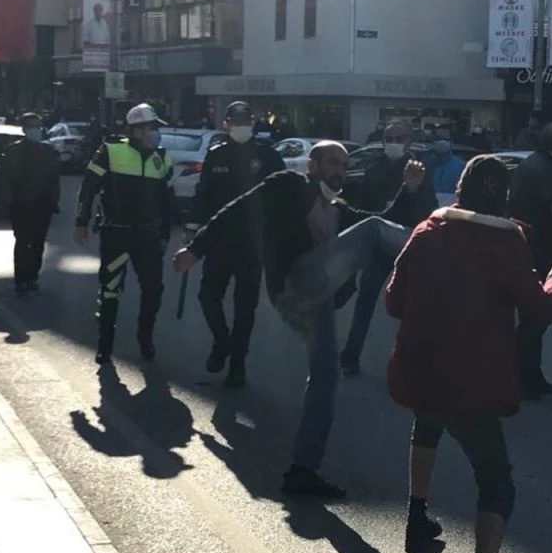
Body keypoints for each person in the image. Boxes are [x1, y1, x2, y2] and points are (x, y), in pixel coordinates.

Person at [173, 142, 429, 497]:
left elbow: (387, 223)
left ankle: (302, 471)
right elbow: (238, 210)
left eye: (343, 164)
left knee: (326, 377)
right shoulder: (288, 185)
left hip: (314, 301)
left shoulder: (339, 208)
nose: (338, 169)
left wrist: (409, 189)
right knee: (371, 230)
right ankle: (438, 253)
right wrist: (196, 249)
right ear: (313, 164)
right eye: (331, 162)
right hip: (297, 279)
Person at [386, 155, 552, 553]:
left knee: (425, 431)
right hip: (471, 378)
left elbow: (393, 300)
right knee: (495, 481)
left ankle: (416, 518)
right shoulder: (506, 240)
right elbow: (539, 313)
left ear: (460, 189)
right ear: (503, 197)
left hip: (422, 368)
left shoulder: (428, 230)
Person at [185, 101, 285, 388]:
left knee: (245, 308)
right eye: (236, 120)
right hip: (218, 240)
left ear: (253, 123)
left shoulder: (267, 155)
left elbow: (283, 194)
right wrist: (191, 229)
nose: (241, 125)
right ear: (226, 124)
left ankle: (238, 365)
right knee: (208, 297)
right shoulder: (217, 155)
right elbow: (203, 194)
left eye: (246, 120)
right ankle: (222, 342)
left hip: (252, 244)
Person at [74, 103, 173, 365]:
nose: (155, 133)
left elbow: (167, 201)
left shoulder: (161, 158)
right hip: (116, 234)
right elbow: (88, 188)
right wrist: (80, 222)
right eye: (151, 128)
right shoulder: (110, 151)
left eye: (155, 128)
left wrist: (165, 235)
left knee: (153, 290)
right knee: (110, 290)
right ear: (137, 130)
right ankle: (105, 345)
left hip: (147, 237)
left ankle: (145, 339)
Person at [339, 120, 437, 376]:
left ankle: (413, 362)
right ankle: (351, 354)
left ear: (408, 141)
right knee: (365, 300)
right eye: (389, 137)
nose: (393, 142)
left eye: (399, 138)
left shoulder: (419, 169)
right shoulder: (374, 168)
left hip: (408, 244)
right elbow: (364, 212)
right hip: (379, 247)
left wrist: (412, 191)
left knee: (413, 306)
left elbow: (426, 212)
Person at [508, 119, 552, 398]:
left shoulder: (530, 165)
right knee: (536, 316)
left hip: (521, 246)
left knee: (531, 317)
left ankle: (527, 375)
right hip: (539, 250)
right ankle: (525, 378)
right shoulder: (550, 172)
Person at [0, 112, 61, 295]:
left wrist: (54, 200)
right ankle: (21, 279)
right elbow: (5, 180)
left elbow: (54, 178)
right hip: (20, 205)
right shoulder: (13, 151)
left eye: (38, 126)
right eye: (32, 127)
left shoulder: (48, 151)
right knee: (22, 242)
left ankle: (32, 276)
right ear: (25, 129)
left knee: (38, 243)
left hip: (42, 205)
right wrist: (6, 203)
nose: (35, 130)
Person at [425, 123, 467, 207]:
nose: (442, 141)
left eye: (446, 139)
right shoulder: (426, 163)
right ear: (433, 140)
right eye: (439, 138)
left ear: (451, 141)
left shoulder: (461, 166)